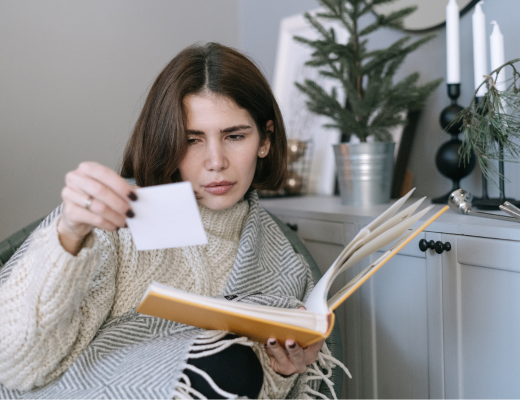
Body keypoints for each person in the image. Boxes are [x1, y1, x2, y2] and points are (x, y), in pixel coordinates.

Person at [0, 43, 341, 399]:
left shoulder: (285, 266)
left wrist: (278, 373)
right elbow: (17, 366)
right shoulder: (112, 222)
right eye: (192, 140)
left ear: (266, 139)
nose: (215, 161)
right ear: (167, 141)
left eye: (235, 136)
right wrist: (68, 236)